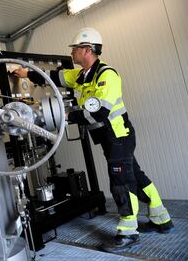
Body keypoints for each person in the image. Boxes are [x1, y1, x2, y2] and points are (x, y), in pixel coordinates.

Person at [13, 27, 174, 253]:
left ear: (87, 50)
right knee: (135, 176)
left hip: (119, 135)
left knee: (121, 181)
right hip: (109, 137)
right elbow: (54, 77)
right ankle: (161, 219)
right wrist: (25, 73)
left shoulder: (107, 75)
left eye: (75, 48)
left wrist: (66, 116)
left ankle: (129, 233)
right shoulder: (81, 76)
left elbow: (99, 112)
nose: (72, 53)